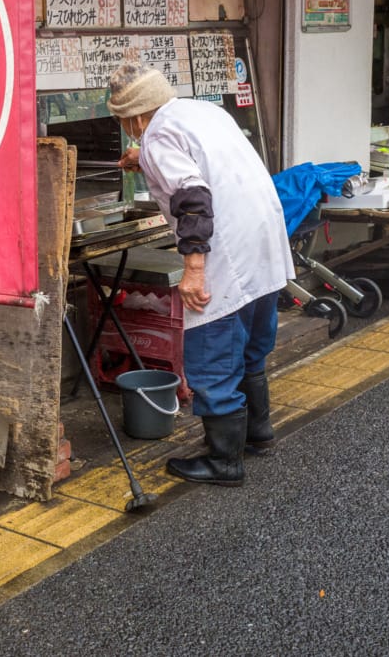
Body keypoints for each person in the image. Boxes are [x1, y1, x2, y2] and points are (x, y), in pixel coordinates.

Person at [107, 63, 295, 487]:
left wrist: (193, 268)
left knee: (212, 355)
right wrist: (147, 158)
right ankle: (258, 434)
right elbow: (203, 160)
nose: (130, 132)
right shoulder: (201, 111)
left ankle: (224, 461)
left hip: (224, 252)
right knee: (251, 346)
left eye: (123, 123)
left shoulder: (156, 136)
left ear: (135, 116)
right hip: (263, 239)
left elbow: (193, 196)